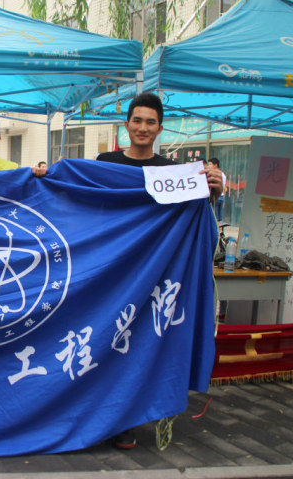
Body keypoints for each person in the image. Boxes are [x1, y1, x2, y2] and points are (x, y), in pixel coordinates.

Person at [96, 92, 222, 450]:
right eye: (137, 120)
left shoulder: (174, 172)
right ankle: (100, 415)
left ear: (160, 129)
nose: (143, 127)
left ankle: (126, 420)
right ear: (126, 124)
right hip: (112, 271)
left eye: (150, 122)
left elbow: (194, 217)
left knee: (139, 345)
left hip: (154, 273)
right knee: (107, 342)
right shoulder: (105, 163)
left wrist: (212, 191)